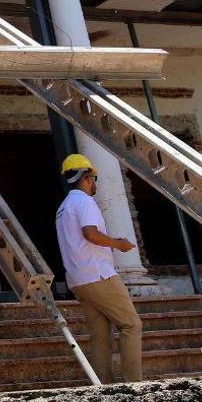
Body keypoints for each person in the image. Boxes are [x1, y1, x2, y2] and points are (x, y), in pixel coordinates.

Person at [55, 153, 143, 383]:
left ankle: (103, 387)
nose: (94, 183)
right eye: (93, 177)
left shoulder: (63, 207)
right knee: (131, 324)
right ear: (86, 176)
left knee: (100, 336)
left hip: (78, 279)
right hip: (98, 275)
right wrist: (118, 244)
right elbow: (90, 233)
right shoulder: (84, 201)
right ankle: (134, 384)